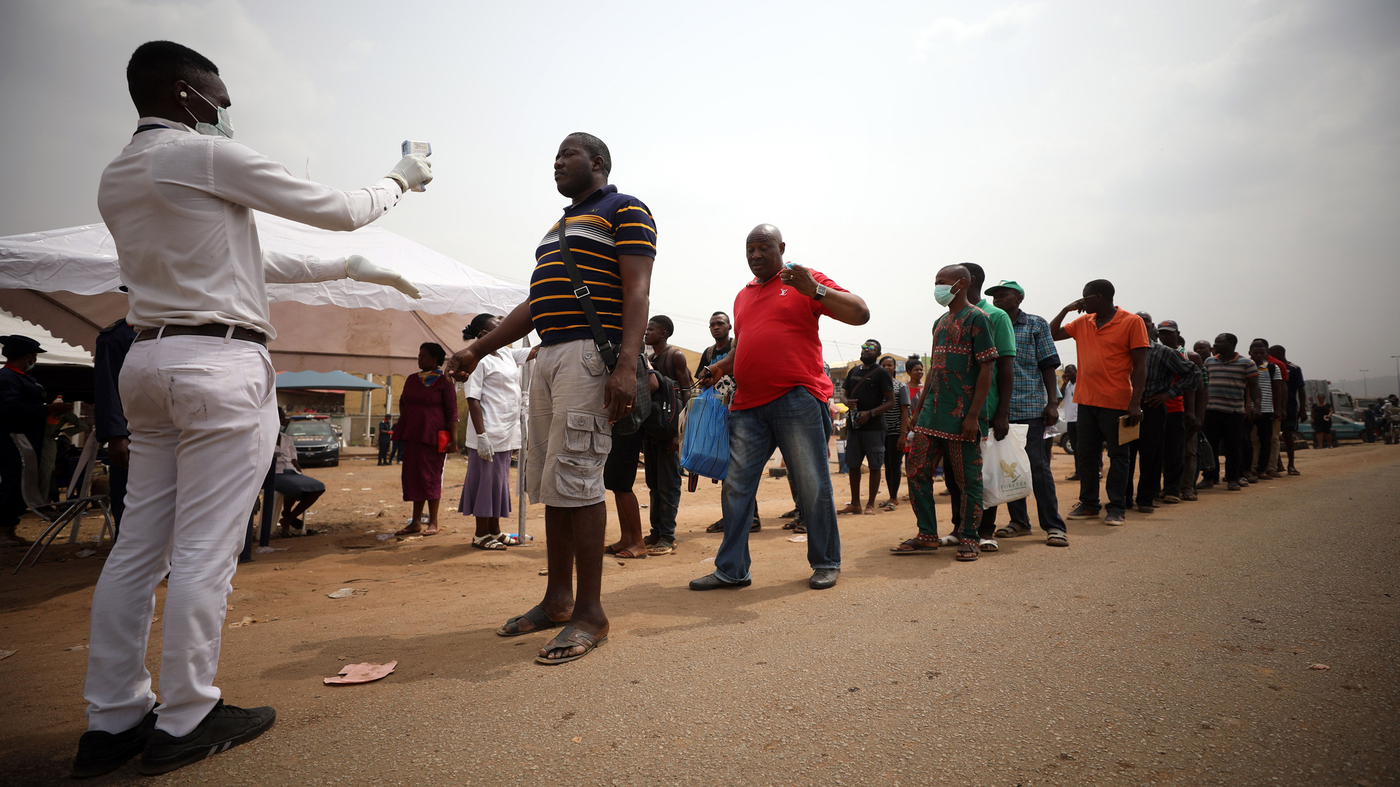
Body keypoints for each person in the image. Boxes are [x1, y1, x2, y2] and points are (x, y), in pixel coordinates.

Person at [78, 41, 430, 778]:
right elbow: (339, 209)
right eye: (219, 97)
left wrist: (346, 268)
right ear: (182, 93)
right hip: (218, 364)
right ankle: (188, 713)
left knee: (139, 544)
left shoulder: (119, 176)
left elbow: (243, 255)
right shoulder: (200, 156)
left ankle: (112, 719)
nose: (226, 111)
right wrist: (401, 178)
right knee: (206, 547)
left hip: (147, 361)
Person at [446, 132, 655, 665]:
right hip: (548, 357)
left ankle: (591, 615)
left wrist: (627, 365)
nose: (557, 163)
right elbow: (536, 303)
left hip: (590, 356)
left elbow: (636, 291)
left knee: (581, 479)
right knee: (554, 479)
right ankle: (559, 600)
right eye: (555, 157)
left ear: (598, 163)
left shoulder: (625, 210)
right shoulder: (556, 229)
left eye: (568, 155)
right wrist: (477, 348)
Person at [688, 223, 870, 591]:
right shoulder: (743, 296)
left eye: (763, 248)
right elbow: (748, 343)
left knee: (812, 485)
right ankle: (732, 570)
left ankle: (825, 562)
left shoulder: (804, 281)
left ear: (781, 247)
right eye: (749, 250)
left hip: (797, 398)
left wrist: (816, 290)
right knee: (736, 487)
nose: (755, 256)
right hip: (748, 405)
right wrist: (720, 367)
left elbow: (860, 313)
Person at [891, 264, 996, 561]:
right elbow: (935, 371)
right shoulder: (939, 322)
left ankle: (970, 537)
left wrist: (974, 415)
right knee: (916, 470)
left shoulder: (979, 319)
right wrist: (918, 409)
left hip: (962, 416)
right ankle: (927, 534)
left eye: (942, 282)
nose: (937, 287)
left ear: (961, 283)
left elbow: (987, 368)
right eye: (936, 281)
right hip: (930, 416)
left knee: (968, 481)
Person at [1049, 279, 1148, 526]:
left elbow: (1141, 367)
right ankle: (1089, 504)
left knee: (1118, 455)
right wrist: (1066, 309)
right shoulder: (1083, 322)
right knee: (1087, 455)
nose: (1082, 302)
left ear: (1100, 297)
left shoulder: (1132, 322)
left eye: (1086, 298)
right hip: (1086, 401)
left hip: (1117, 402)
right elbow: (1051, 334)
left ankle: (1117, 507)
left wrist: (1135, 403)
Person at [938, 263, 1015, 551]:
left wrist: (1002, 412)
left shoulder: (994, 316)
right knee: (955, 474)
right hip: (950, 411)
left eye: (945, 281)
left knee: (980, 473)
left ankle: (984, 531)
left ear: (967, 282)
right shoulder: (947, 320)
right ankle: (960, 528)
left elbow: (1005, 365)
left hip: (984, 408)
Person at [987, 280, 1068, 546]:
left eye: (1003, 294)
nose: (997, 299)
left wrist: (1052, 402)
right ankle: (1019, 522)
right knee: (1007, 468)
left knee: (1036, 466)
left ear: (1018, 297)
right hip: (998, 409)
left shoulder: (1035, 324)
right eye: (994, 295)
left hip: (1030, 406)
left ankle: (1054, 525)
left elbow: (1048, 365)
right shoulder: (990, 322)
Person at [458, 314, 532, 550]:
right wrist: (481, 436)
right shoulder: (476, 359)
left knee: (498, 483)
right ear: (482, 335)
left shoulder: (506, 354)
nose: (505, 333)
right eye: (498, 330)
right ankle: (481, 534)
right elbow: (473, 398)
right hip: (487, 431)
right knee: (485, 483)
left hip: (506, 431)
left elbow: (536, 351)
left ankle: (495, 531)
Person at [1122, 314, 1199, 513]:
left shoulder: (1163, 352)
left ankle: (1146, 499)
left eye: (1144, 321)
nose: (1138, 324)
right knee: (1124, 456)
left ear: (1151, 327)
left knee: (1152, 456)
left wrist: (1169, 394)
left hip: (1152, 408)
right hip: (1124, 408)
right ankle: (1123, 499)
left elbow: (1193, 373)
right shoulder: (1120, 349)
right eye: (1134, 320)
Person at [1, 335, 69, 548]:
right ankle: (2, 529)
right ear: (28, 356)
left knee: (24, 484)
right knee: (13, 484)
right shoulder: (6, 378)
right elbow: (10, 410)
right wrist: (47, 408)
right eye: (34, 357)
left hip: (28, 439)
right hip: (13, 440)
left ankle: (9, 528)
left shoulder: (20, 378)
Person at [640, 315, 693, 555]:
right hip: (653, 431)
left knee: (669, 484)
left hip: (670, 432)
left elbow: (687, 392)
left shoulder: (675, 356)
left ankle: (668, 536)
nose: (646, 332)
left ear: (664, 333)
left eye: (651, 329)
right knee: (653, 483)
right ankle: (656, 531)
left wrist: (679, 434)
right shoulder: (649, 359)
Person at [394, 343, 458, 536]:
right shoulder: (412, 379)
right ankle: (415, 521)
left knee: (431, 476)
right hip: (413, 434)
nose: (419, 359)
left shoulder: (445, 381)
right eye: (418, 356)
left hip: (435, 436)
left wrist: (454, 439)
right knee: (414, 476)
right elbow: (402, 402)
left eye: (423, 356)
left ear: (435, 359)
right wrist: (408, 421)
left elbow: (452, 412)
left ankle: (433, 521)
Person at [840, 341, 895, 515]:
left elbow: (891, 402)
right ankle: (855, 503)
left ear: (878, 353)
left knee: (874, 465)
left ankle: (870, 504)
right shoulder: (854, 371)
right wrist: (846, 402)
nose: (866, 350)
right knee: (853, 464)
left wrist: (870, 413)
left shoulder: (882, 374)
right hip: (854, 427)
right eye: (864, 347)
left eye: (871, 348)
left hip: (874, 428)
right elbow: (844, 394)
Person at [94, 318, 137, 535]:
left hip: (174, 432)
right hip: (134, 434)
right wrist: (116, 435)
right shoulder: (118, 335)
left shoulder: (175, 326)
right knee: (131, 502)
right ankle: (133, 562)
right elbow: (106, 387)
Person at [1202, 334, 1261, 490]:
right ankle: (1209, 478)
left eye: (1219, 342)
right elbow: (1204, 385)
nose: (1215, 345)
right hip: (1211, 410)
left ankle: (1232, 478)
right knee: (1210, 447)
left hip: (1233, 412)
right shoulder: (1209, 361)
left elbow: (1254, 386)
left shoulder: (1246, 363)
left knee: (1233, 447)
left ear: (1231, 344)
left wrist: (1257, 406)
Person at [1154, 320, 1201, 504]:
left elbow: (1195, 385)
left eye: (1169, 333)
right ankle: (1156, 489)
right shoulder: (1154, 353)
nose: (1165, 336)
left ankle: (1174, 490)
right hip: (1155, 409)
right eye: (1162, 333)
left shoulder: (1187, 356)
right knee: (1156, 452)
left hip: (1175, 409)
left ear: (1177, 334)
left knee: (1176, 453)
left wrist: (1193, 412)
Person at [272, 409, 325, 536]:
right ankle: (287, 517)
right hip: (274, 473)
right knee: (296, 487)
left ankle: (288, 518)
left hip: (291, 472)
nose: (283, 420)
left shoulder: (286, 439)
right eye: (280, 417)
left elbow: (294, 461)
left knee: (318, 487)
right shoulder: (263, 438)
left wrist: (301, 475)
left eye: (283, 417)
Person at [1246, 339, 1284, 481]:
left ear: (1266, 353)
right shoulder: (1244, 365)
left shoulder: (1273, 368)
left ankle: (1262, 470)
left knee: (1266, 441)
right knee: (1246, 440)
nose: (1259, 355)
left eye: (1262, 353)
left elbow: (1278, 389)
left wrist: (1278, 409)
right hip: (1248, 410)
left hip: (1266, 409)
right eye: (1256, 353)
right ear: (1250, 353)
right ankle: (1248, 469)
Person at [878, 355, 910, 511]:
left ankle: (894, 497)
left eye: (889, 365)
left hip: (896, 430)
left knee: (894, 463)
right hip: (880, 431)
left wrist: (903, 434)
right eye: (883, 365)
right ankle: (891, 495)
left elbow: (905, 412)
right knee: (887, 464)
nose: (886, 367)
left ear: (894, 367)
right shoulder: (877, 387)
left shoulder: (900, 386)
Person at [1061, 364, 1079, 473]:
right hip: (1070, 420)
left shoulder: (1080, 384)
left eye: (1070, 372)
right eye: (1066, 372)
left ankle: (1095, 470)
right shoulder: (1066, 387)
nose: (1068, 374)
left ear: (1076, 372)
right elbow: (1059, 398)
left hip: (1080, 420)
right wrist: (1064, 383)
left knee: (1083, 448)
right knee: (1075, 449)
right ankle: (1078, 472)